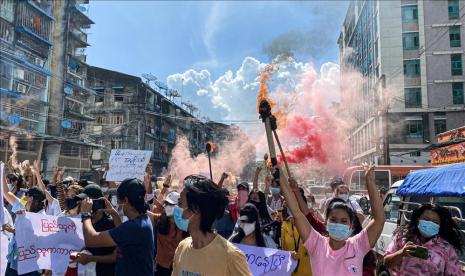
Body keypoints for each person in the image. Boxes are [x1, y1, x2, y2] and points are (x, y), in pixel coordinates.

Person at [281, 164, 385, 276]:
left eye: (344, 221)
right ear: (326, 222)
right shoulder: (316, 244)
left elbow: (379, 219)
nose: (338, 224)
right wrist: (280, 175)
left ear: (351, 226)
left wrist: (370, 181)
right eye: (334, 220)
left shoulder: (358, 245)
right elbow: (296, 212)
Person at [171, 175, 251, 276]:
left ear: (195, 210)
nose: (176, 208)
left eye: (180, 203)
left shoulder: (231, 256)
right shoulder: (181, 248)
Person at [80, 178, 154, 276]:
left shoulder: (133, 227)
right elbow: (123, 236)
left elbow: (91, 240)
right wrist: (114, 214)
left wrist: (86, 214)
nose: (119, 204)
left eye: (119, 200)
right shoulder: (142, 220)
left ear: (126, 200)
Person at [383, 204, 464, 275]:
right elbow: (386, 263)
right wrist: (401, 253)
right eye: (426, 219)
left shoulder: (446, 248)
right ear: (418, 220)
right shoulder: (403, 237)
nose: (430, 223)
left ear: (440, 225)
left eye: (435, 222)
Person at [2, 170, 46, 276]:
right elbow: (6, 192)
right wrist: (2, 171)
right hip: (14, 260)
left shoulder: (41, 217)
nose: (23, 197)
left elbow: (33, 239)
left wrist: (13, 230)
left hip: (31, 264)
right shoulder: (22, 206)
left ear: (31, 198)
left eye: (26, 194)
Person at [75, 184, 121, 276]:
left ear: (96, 203)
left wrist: (90, 258)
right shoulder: (88, 223)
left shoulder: (110, 224)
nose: (83, 204)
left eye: (87, 201)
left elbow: (117, 256)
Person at [153, 191, 186, 276]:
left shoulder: (185, 223)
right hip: (162, 267)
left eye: (171, 205)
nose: (168, 207)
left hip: (179, 266)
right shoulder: (160, 219)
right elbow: (148, 209)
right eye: (167, 204)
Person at [281, 203, 312, 276]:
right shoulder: (285, 225)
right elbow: (283, 248)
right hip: (291, 269)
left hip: (307, 270)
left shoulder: (309, 226)